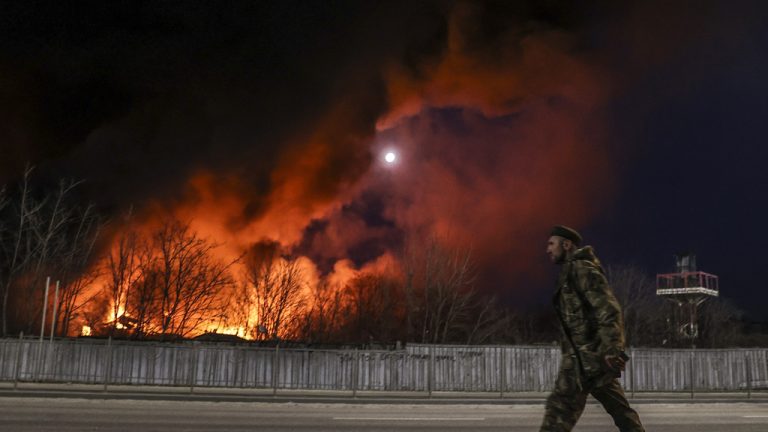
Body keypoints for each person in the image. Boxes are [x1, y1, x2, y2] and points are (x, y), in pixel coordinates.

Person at [540, 225, 645, 432]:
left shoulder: (582, 269)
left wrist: (612, 350)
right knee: (621, 412)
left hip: (588, 359)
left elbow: (609, 309)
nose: (548, 250)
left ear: (566, 244)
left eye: (551, 244)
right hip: (586, 359)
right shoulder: (570, 272)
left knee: (559, 413)